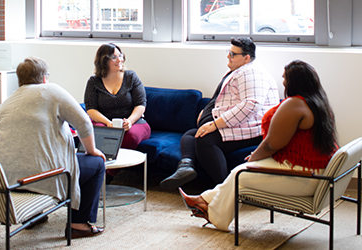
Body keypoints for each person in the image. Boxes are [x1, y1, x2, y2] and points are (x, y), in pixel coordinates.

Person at [179, 60, 338, 231]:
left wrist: (254, 158)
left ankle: (213, 213)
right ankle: (204, 201)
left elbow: (271, 144)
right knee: (239, 173)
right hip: (313, 169)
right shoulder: (319, 102)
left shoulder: (295, 104)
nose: (282, 81)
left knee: (241, 174)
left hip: (304, 175)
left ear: (294, 81)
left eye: (284, 78)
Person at [0, 57, 106, 239]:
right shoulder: (51, 90)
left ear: (20, 79)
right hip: (41, 178)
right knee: (96, 164)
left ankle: (33, 215)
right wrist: (92, 150)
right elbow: (84, 122)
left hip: (7, 178)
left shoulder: (8, 100)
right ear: (45, 77)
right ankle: (78, 223)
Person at [160, 37, 280, 190]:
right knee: (191, 134)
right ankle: (186, 167)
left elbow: (251, 105)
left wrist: (215, 124)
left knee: (205, 140)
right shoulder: (239, 70)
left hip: (251, 128)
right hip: (239, 125)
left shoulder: (252, 73)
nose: (228, 56)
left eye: (233, 54)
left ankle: (225, 189)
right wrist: (206, 112)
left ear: (246, 58)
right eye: (228, 52)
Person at [84, 43, 151, 179]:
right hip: (106, 122)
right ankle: (98, 172)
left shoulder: (131, 77)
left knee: (130, 136)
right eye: (114, 57)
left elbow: (141, 104)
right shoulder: (94, 82)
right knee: (99, 133)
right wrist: (107, 122)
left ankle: (108, 174)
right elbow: (90, 109)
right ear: (104, 60)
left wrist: (130, 121)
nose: (119, 60)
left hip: (135, 122)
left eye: (120, 55)